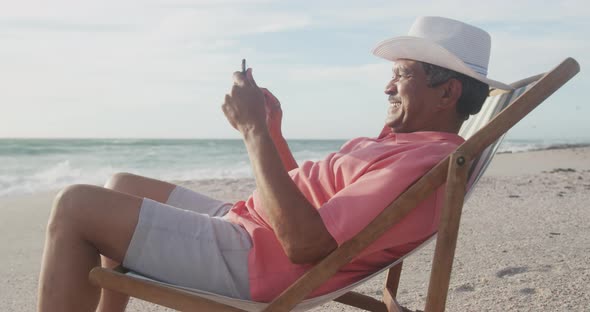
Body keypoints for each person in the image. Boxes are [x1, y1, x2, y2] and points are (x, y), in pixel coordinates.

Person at [37, 16, 512, 311]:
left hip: (257, 261)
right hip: (250, 229)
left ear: (447, 92)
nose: (389, 88)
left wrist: (253, 132)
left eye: (402, 75)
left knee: (76, 206)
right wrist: (274, 130)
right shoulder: (403, 142)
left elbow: (306, 244)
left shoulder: (426, 161)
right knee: (120, 182)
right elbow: (304, 199)